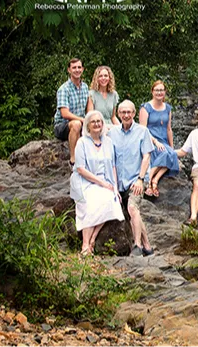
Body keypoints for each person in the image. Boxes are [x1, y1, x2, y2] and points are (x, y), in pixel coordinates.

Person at [69, 110, 124, 256]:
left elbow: (113, 166)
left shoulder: (108, 142)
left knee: (111, 200)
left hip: (105, 181)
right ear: (87, 126)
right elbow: (80, 169)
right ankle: (85, 245)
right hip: (85, 181)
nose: (97, 124)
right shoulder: (82, 142)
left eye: (99, 121)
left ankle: (92, 239)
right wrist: (101, 183)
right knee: (91, 202)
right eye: (93, 122)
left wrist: (115, 189)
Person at [108, 100, 155, 257]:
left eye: (129, 112)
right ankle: (147, 245)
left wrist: (141, 179)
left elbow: (147, 156)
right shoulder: (112, 133)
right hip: (118, 182)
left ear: (134, 113)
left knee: (132, 208)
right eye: (123, 112)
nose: (126, 115)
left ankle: (137, 245)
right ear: (119, 114)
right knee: (127, 214)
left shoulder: (142, 132)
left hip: (136, 179)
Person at [139, 80, 180, 197]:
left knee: (171, 154)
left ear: (165, 92)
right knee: (165, 154)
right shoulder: (146, 108)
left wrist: (171, 147)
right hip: (150, 140)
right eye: (157, 90)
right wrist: (156, 142)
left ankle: (154, 180)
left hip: (163, 141)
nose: (159, 92)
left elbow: (168, 129)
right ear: (152, 92)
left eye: (161, 90)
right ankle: (148, 180)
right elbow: (143, 130)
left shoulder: (167, 108)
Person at [54, 58, 89, 167]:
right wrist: (83, 120)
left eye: (79, 67)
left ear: (83, 69)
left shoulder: (85, 87)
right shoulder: (64, 89)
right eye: (74, 68)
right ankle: (74, 159)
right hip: (62, 125)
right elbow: (65, 114)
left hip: (81, 124)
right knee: (76, 124)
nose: (77, 70)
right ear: (69, 70)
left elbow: (88, 109)